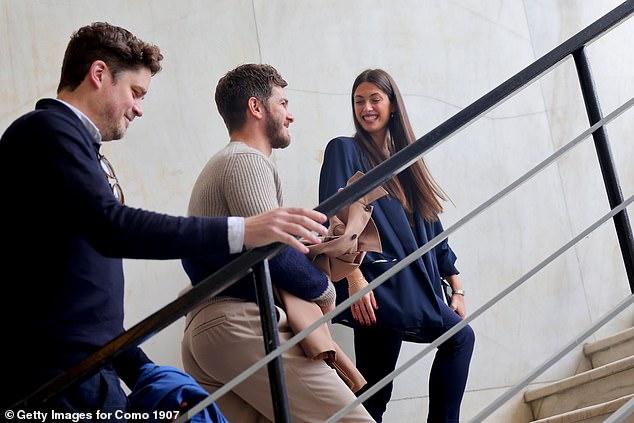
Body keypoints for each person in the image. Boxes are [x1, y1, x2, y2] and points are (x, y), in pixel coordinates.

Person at [0, 22, 328, 418]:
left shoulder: (78, 145)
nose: (139, 108)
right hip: (52, 380)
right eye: (136, 93)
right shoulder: (46, 131)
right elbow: (112, 228)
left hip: (89, 374)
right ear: (99, 74)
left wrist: (138, 367)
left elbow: (83, 284)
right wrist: (246, 230)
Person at [180, 63, 374, 422]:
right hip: (240, 325)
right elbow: (272, 250)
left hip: (211, 331)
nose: (291, 115)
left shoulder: (226, 163)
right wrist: (324, 292)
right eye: (283, 103)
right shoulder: (245, 160)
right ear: (256, 108)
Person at [319, 68, 476, 423]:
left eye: (375, 99)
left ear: (392, 106)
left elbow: (434, 229)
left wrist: (457, 287)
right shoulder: (343, 150)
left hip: (412, 283)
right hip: (378, 284)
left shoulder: (407, 162)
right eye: (359, 101)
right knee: (459, 338)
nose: (367, 107)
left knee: (373, 393)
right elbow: (335, 216)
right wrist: (354, 278)